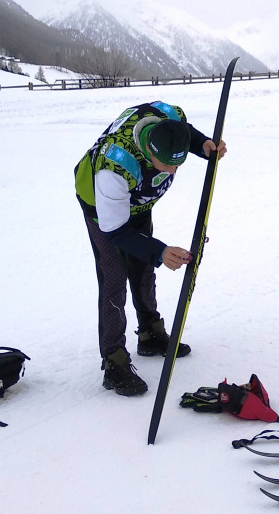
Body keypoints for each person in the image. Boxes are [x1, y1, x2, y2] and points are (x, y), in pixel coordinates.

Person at [74, 101, 227, 396]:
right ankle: (114, 361)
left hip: (139, 200)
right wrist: (159, 252)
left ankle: (150, 334)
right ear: (149, 152)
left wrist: (202, 144)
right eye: (168, 164)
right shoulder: (114, 170)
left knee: (143, 269)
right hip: (102, 209)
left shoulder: (169, 116)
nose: (172, 171)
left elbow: (183, 132)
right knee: (114, 277)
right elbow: (116, 230)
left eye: (178, 164)